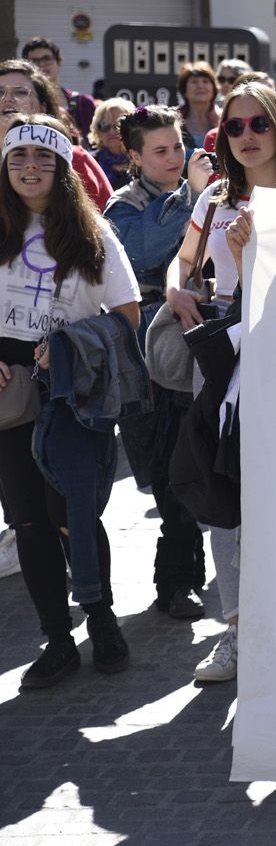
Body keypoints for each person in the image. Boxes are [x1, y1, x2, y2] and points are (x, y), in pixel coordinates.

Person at [1, 115, 141, 689]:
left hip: (73, 387)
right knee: (29, 520)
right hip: (9, 392)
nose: (30, 167)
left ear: (62, 169)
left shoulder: (93, 232)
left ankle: (102, 621)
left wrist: (69, 346)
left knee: (74, 514)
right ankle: (57, 641)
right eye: (18, 157)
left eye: (43, 157)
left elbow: (128, 314)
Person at [165, 82, 276, 684]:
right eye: (234, 126)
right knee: (223, 489)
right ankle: (238, 629)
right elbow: (185, 258)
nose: (246, 136)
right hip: (222, 352)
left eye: (258, 124)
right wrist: (175, 290)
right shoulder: (214, 197)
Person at [104, 105, 212, 621]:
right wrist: (192, 198)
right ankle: (176, 579)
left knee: (193, 459)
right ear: (135, 156)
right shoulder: (123, 206)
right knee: (165, 468)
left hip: (203, 338)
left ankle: (184, 577)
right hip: (148, 352)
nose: (174, 159)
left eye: (178, 147)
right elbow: (143, 252)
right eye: (160, 151)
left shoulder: (209, 190)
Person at [0, 60, 114, 210]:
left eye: (20, 92)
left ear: (42, 107)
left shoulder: (74, 158)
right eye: (0, 92)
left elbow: (109, 218)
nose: (7, 99)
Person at [21, 37, 96, 138]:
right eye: (34, 61)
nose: (41, 65)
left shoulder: (83, 103)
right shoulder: (20, 103)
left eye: (46, 59)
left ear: (59, 62)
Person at [88, 97, 135, 189]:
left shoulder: (144, 161)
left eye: (118, 125)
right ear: (97, 130)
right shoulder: (90, 162)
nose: (111, 132)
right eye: (104, 125)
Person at [176, 61, 221, 149]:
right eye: (194, 82)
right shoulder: (174, 120)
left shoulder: (224, 118)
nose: (200, 86)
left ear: (214, 88)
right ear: (184, 89)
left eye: (205, 81)